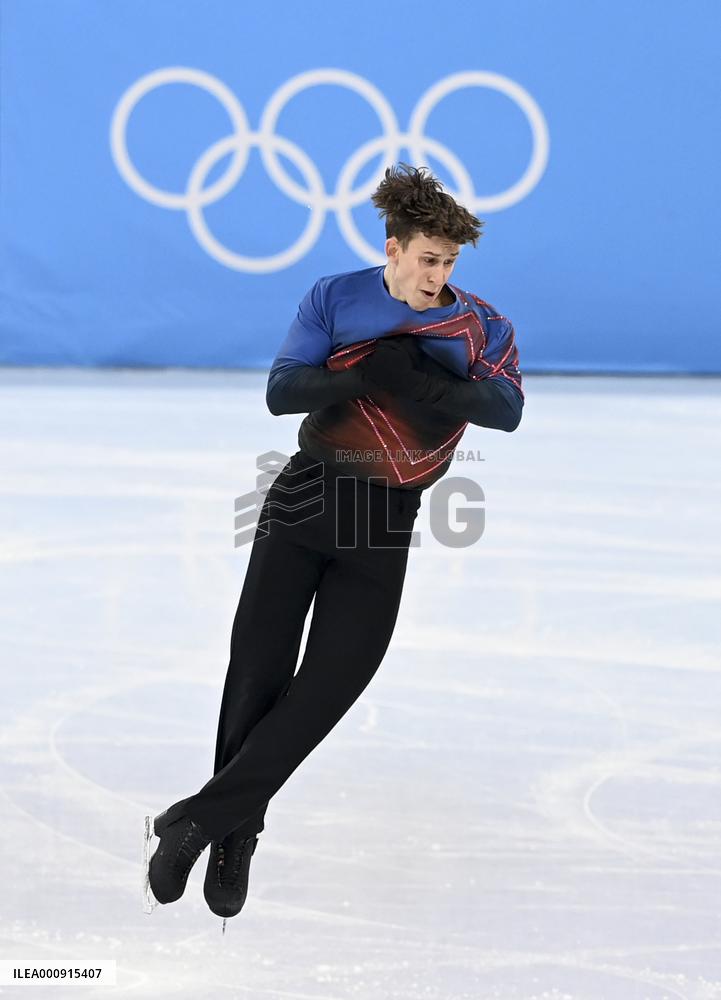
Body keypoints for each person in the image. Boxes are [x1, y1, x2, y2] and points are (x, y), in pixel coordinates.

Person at [144, 163, 524, 925]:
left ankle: (198, 816)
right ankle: (232, 835)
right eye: (426, 259)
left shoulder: (480, 324)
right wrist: (355, 376)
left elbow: (506, 410)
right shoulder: (334, 297)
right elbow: (282, 391)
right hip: (306, 494)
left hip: (385, 518)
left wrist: (425, 386)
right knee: (256, 671)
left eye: (449, 262)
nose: (437, 275)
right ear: (392, 248)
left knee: (330, 686)